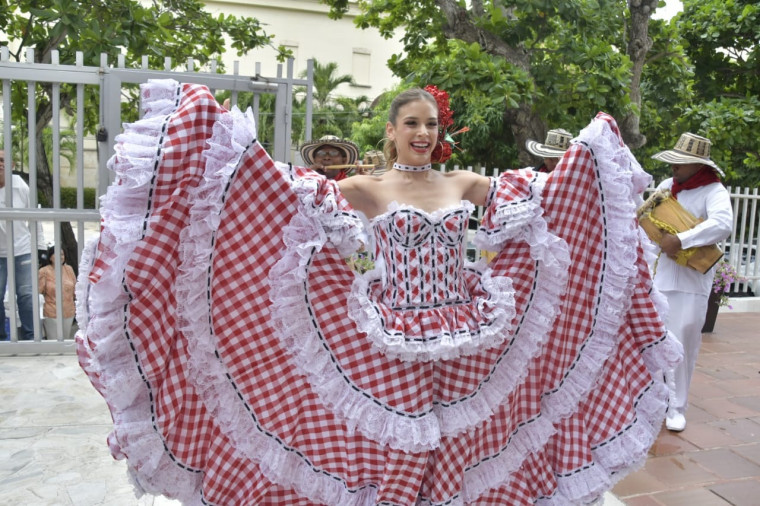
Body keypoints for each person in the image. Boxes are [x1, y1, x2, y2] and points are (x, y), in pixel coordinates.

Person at [75, 81, 681, 505]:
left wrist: (577, 169)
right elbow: (299, 208)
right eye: (411, 123)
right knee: (401, 437)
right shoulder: (365, 187)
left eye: (431, 124)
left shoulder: (464, 181)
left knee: (459, 439)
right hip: (390, 335)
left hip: (467, 333)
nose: (422, 133)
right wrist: (362, 272)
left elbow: (534, 207)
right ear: (392, 131)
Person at [650, 132, 733, 432]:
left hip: (691, 281)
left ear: (698, 165)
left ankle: (677, 407)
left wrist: (682, 239)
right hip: (659, 277)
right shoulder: (665, 188)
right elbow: (648, 225)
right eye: (675, 162)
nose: (675, 168)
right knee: (653, 342)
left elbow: (723, 224)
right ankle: (653, 401)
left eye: (682, 163)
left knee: (682, 343)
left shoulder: (714, 191)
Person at [0, 150, 45, 341]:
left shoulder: (21, 186)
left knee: (26, 296)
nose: (0, 163)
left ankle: (32, 339)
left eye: (3, 160)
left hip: (22, 250)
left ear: (11, 165)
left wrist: (40, 247)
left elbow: (34, 218)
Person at [38, 245, 76, 340]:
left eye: (62, 254)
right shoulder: (44, 271)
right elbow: (39, 291)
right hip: (52, 313)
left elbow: (76, 289)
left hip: (69, 312)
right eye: (57, 254)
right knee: (54, 343)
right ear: (50, 257)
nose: (60, 256)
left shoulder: (69, 269)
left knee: (66, 340)